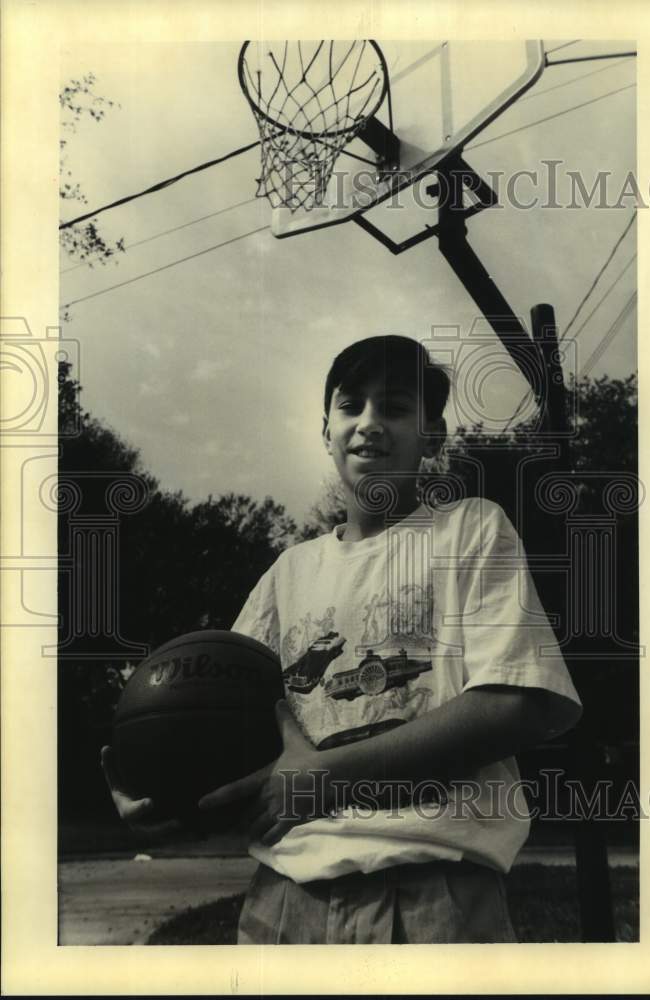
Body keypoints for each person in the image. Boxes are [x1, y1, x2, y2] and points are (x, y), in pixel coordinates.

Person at [104, 334, 582, 944]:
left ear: (432, 434)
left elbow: (517, 703)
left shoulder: (469, 529)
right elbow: (232, 740)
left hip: (431, 887)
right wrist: (169, 800)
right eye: (351, 405)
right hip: (283, 899)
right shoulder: (289, 573)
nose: (369, 424)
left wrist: (325, 778)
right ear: (324, 429)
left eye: (396, 407)